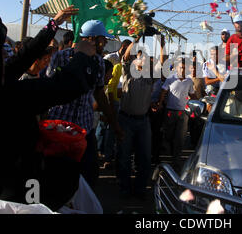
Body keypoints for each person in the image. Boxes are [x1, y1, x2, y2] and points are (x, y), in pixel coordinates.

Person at [0, 0, 101, 210]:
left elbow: (21, 59)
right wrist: (82, 55)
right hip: (13, 197)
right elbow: (64, 87)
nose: (5, 54)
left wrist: (54, 24)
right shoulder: (0, 98)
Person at [46, 19, 123, 190]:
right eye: (103, 39)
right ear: (93, 38)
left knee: (88, 176)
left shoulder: (99, 63)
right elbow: (48, 88)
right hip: (60, 129)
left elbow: (99, 95)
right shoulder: (60, 57)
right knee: (58, 177)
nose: (105, 43)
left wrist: (114, 124)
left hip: (84, 129)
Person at [116, 34, 165, 199]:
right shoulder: (128, 73)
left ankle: (140, 188)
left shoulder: (150, 76)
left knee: (144, 157)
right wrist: (136, 39)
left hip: (143, 121)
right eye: (139, 58)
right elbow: (125, 56)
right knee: (124, 156)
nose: (142, 61)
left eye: (145, 58)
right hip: (126, 119)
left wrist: (161, 44)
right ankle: (124, 187)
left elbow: (162, 63)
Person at [156, 58, 197, 172]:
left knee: (180, 138)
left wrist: (198, 104)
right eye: (180, 67)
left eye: (184, 67)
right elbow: (163, 92)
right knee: (168, 136)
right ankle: (168, 155)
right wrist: (159, 104)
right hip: (170, 112)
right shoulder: (170, 79)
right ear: (175, 68)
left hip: (183, 113)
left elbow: (192, 94)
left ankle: (176, 161)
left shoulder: (189, 81)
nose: (182, 69)